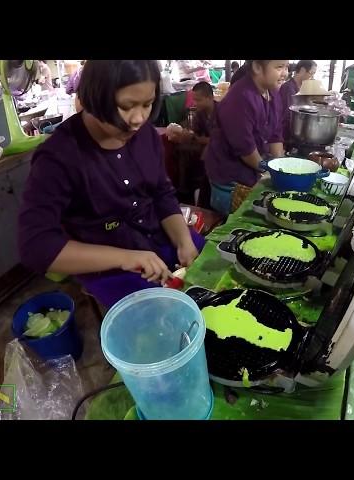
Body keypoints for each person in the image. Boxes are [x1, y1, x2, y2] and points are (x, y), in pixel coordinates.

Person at [18, 60, 205, 309]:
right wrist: (127, 258)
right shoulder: (59, 158)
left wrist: (183, 240)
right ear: (96, 96)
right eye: (126, 107)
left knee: (215, 281)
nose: (138, 119)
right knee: (165, 321)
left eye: (147, 105)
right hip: (112, 268)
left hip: (162, 239)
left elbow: (162, 193)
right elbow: (36, 246)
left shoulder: (146, 135)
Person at [203, 60, 288, 215]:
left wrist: (281, 168)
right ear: (257, 67)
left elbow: (276, 134)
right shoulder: (240, 98)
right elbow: (246, 150)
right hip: (230, 179)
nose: (286, 73)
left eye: (287, 67)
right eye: (279, 67)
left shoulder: (273, 93)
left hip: (252, 171)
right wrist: (273, 172)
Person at [278, 60, 317, 148]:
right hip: (287, 136)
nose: (312, 77)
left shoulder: (301, 88)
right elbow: (287, 115)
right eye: (311, 73)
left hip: (297, 132)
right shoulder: (288, 88)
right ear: (302, 70)